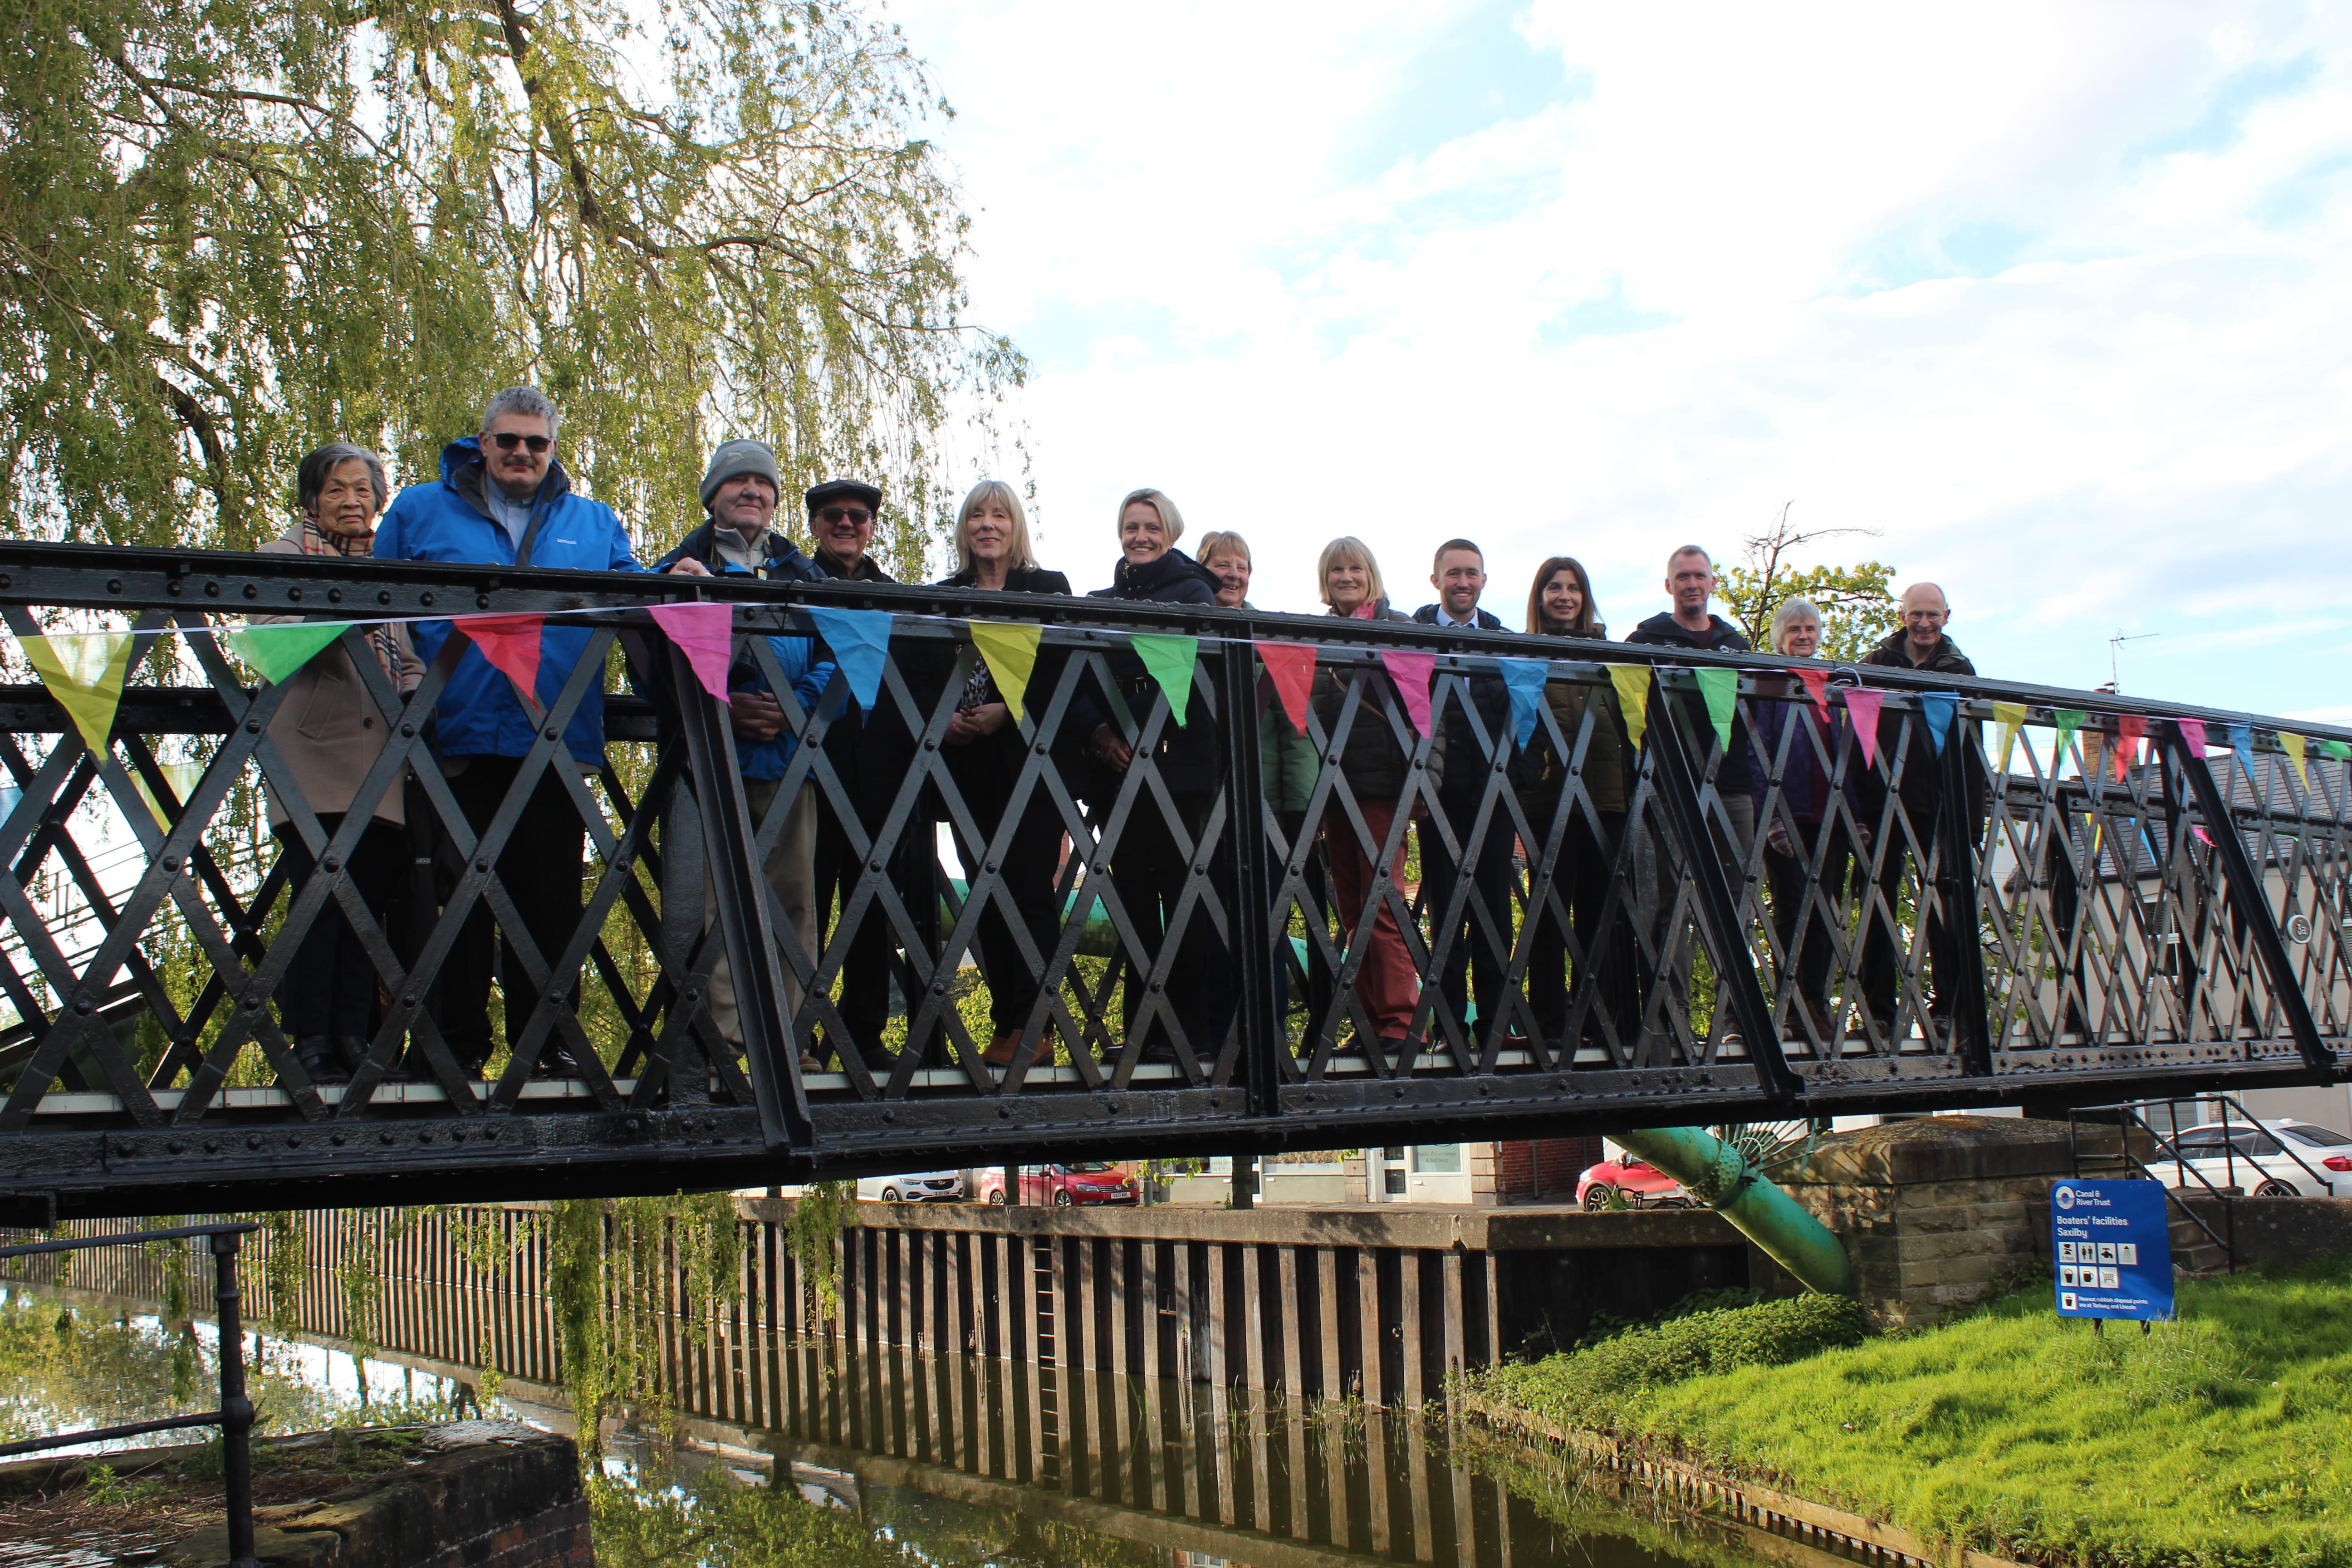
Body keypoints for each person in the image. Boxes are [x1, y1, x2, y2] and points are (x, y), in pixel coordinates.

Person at [375, 387, 690, 1075]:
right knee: (448, 901)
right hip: (448, 739)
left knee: (549, 904)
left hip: (552, 742)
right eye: (510, 440)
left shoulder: (593, 520)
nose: (523, 453)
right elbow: (379, 606)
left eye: (537, 444)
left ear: (553, 450)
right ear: (482, 443)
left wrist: (675, 578)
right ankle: (447, 1051)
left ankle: (548, 1048)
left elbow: (633, 592)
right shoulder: (419, 510)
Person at [655, 440, 834, 1065]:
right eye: (737, 483)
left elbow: (838, 648)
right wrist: (723, 706)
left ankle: (790, 1037)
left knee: (794, 900)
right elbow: (651, 655)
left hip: (789, 758)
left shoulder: (802, 571)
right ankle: (734, 1043)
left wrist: (795, 705)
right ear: (712, 497)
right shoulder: (681, 563)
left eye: (763, 483)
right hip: (710, 760)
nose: (752, 492)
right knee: (714, 904)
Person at [257, 442, 421, 1083]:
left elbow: (407, 656)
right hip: (314, 753)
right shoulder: (283, 558)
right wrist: (344, 607)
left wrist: (416, 698)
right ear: (311, 501)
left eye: (362, 491)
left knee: (367, 902)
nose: (352, 502)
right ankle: (310, 1041)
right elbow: (273, 638)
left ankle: (356, 1035)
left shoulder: (390, 568)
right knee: (318, 899)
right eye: (335, 491)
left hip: (383, 761)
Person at [1074, 489, 1230, 1064]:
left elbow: (1184, 678)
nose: (1140, 536)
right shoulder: (1104, 599)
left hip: (1177, 768)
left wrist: (1136, 730)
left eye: (1151, 527)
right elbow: (1083, 679)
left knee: (1182, 900)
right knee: (1135, 905)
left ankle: (1187, 1034)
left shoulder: (1193, 592)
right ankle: (1142, 1031)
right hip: (1116, 770)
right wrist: (1099, 734)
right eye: (1131, 527)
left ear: (1170, 532)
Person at [799, 477, 945, 1068]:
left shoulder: (901, 599)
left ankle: (862, 1035)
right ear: (814, 525)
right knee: (803, 907)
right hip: (810, 774)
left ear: (872, 525)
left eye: (857, 516)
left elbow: (931, 681)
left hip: (884, 780)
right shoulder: (793, 585)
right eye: (833, 515)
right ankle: (797, 1034)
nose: (846, 524)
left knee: (873, 912)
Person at [934, 481, 1072, 1068]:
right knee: (983, 892)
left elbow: (1063, 667)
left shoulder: (1046, 589)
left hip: (1028, 763)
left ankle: (1035, 1024)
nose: (987, 525)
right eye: (976, 516)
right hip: (967, 764)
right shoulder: (945, 595)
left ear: (1015, 526)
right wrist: (946, 719)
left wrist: (1009, 712)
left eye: (999, 515)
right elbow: (920, 668)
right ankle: (1004, 1020)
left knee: (1029, 891)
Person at [1197, 529, 1331, 1035]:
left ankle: (1269, 1033)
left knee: (1272, 920)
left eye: (1241, 566)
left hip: (1269, 806)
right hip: (1207, 802)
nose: (1233, 575)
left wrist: (1303, 809)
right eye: (1222, 565)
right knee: (1212, 918)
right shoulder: (1190, 631)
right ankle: (1217, 1033)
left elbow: (1295, 732)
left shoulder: (1266, 636)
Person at [1308, 537, 1426, 1056]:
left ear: (1371, 573)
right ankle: (1372, 1022)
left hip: (1382, 785)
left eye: (1355, 568)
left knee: (1383, 903)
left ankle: (1404, 1023)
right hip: (1335, 788)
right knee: (1353, 908)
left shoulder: (1398, 628)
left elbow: (1424, 712)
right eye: (1337, 570)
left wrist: (1424, 780)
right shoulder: (1312, 637)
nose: (1346, 577)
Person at [1515, 556, 1635, 1060]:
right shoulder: (1521, 654)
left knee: (1600, 913)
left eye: (1574, 589)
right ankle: (1548, 1019)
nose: (1564, 597)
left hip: (1608, 798)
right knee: (1548, 911)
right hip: (1547, 799)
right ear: (1539, 596)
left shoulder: (1611, 657)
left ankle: (1602, 1018)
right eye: (1554, 588)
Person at [1854, 582, 1982, 1035]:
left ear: (1947, 616)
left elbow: (1973, 751)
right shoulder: (1875, 664)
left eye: (1933, 615)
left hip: (1942, 803)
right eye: (1917, 615)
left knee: (1945, 905)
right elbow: (1856, 732)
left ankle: (1948, 1009)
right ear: (1903, 614)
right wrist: (1854, 802)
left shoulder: (1962, 670)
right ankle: (1878, 1014)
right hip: (1881, 801)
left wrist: (1972, 819)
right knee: (1877, 903)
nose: (1925, 623)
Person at [1411, 539, 1517, 1046]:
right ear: (1436, 581)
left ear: (1483, 580)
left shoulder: (1506, 641)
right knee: (1446, 913)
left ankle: (1497, 1023)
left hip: (1495, 795)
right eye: (1453, 573)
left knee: (1496, 910)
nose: (1463, 582)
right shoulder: (1411, 636)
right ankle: (1448, 1025)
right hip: (1439, 795)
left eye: (1472, 574)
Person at [1753, 598, 1853, 1042]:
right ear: (1780, 636)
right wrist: (1769, 814)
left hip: (1828, 813)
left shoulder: (1833, 685)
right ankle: (1792, 1005)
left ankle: (1817, 1001)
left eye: (1811, 629)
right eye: (1795, 629)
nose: (1804, 636)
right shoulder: (1772, 684)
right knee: (1793, 908)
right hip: (1788, 813)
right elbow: (1759, 750)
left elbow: (1850, 753)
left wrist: (1853, 814)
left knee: (1826, 909)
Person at [1624, 545, 1758, 850]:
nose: (1692, 584)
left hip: (1731, 783)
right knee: (1670, 892)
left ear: (1713, 583)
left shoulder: (1737, 645)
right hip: (1668, 782)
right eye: (1683, 577)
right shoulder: (1645, 641)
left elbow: (1755, 715)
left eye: (1700, 575)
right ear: (1670, 586)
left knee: (1736, 889)